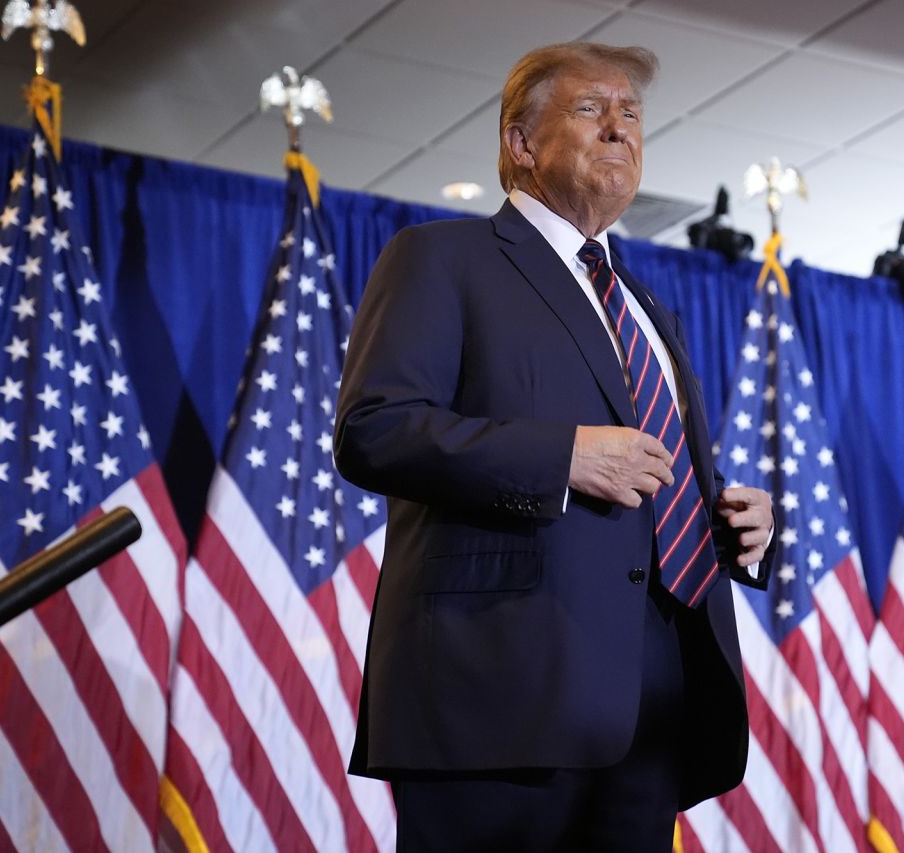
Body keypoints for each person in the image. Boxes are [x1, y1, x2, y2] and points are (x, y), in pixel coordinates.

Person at [334, 41, 776, 852]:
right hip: (498, 700)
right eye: (590, 109)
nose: (619, 128)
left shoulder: (648, 308)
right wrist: (560, 457)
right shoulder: (441, 259)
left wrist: (730, 526)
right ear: (521, 144)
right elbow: (375, 429)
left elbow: (642, 495)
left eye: (632, 113)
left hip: (653, 710)